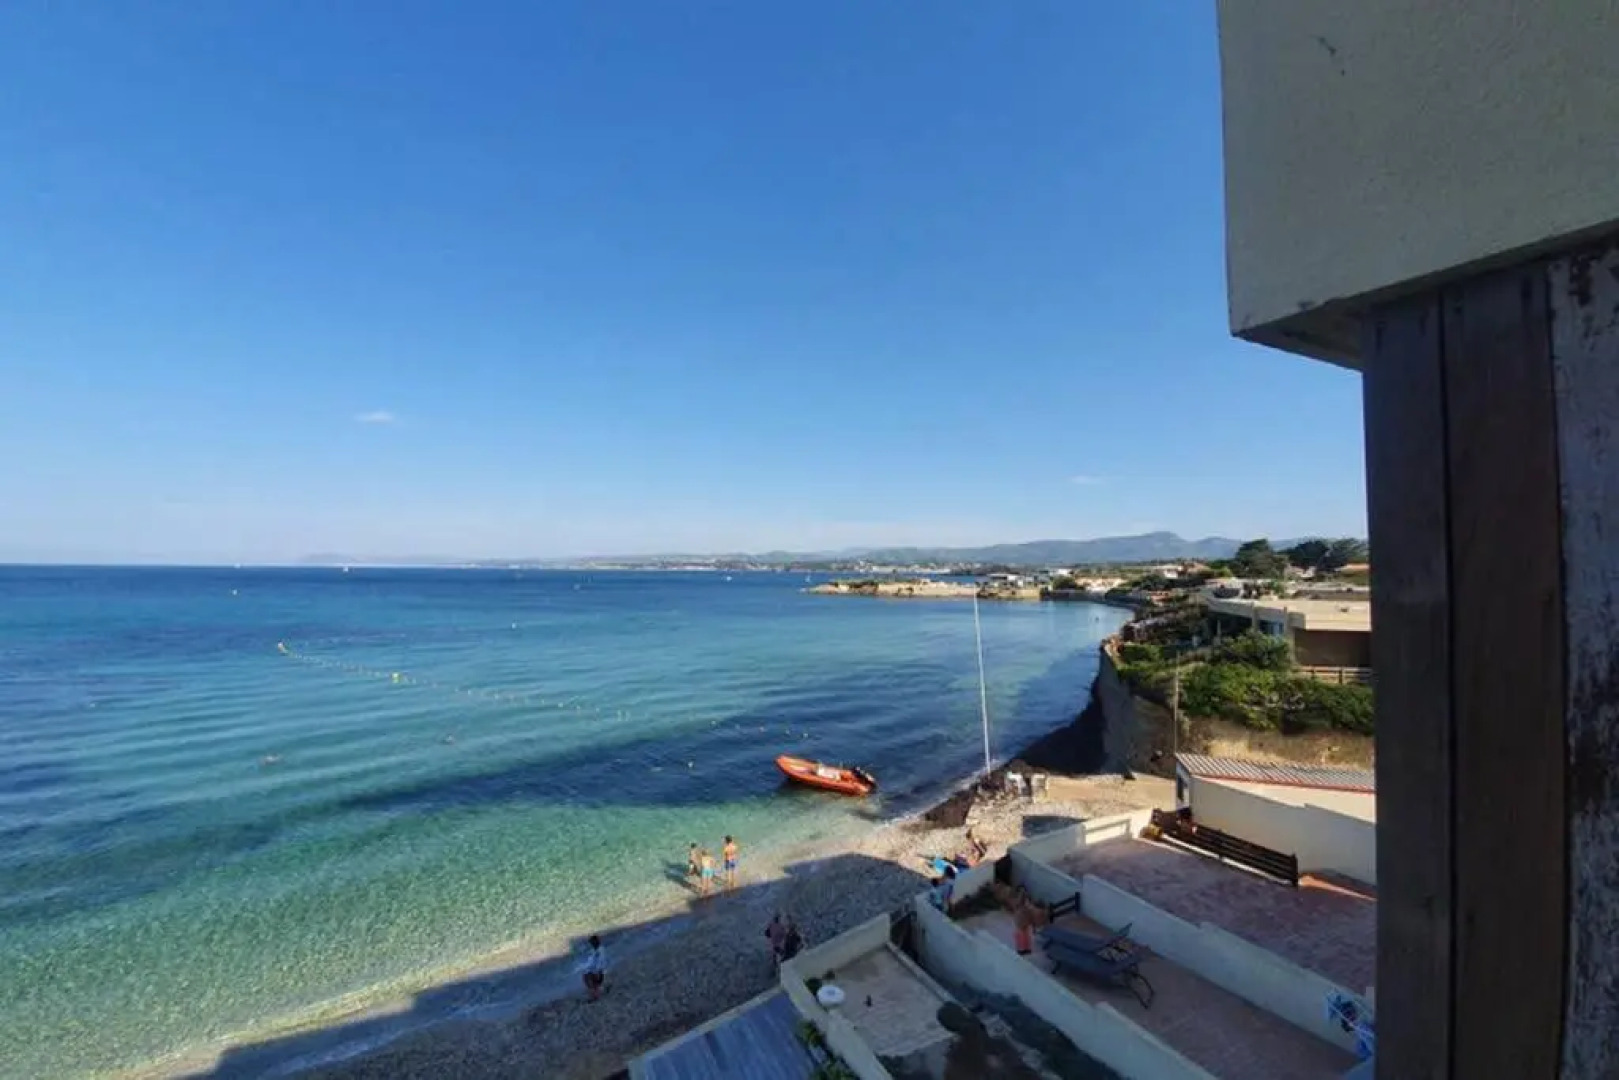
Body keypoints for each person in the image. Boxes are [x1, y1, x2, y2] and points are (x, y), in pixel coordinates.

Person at [576, 935, 607, 1002]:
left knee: (587, 978)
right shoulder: (595, 950)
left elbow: (601, 962)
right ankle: (598, 991)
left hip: (598, 971)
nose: (591, 944)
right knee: (587, 977)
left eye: (592, 942)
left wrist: (599, 972)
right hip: (596, 970)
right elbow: (592, 962)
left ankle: (595, 995)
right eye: (591, 942)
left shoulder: (600, 951)